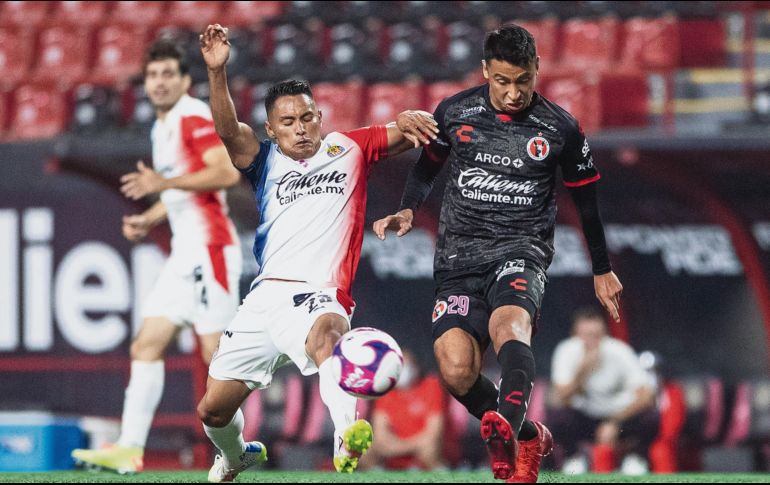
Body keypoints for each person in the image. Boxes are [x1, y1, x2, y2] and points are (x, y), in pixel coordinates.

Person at [373, 24, 624, 483]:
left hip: (520, 250)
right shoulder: (454, 112)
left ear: (537, 70)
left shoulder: (561, 128)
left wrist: (602, 269)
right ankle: (529, 435)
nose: (513, 92)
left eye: (523, 80)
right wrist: (407, 210)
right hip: (458, 258)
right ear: (486, 71)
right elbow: (427, 167)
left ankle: (505, 429)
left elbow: (586, 202)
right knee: (455, 369)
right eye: (503, 81)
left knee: (509, 325)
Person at [196, 24, 439, 482]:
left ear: (319, 116)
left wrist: (409, 117)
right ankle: (234, 457)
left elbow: (410, 131)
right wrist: (217, 71)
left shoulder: (347, 147)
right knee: (213, 409)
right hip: (265, 299)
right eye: (287, 123)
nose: (300, 129)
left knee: (329, 335)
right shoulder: (264, 160)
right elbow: (228, 131)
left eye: (307, 118)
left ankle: (345, 435)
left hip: (320, 293)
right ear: (271, 128)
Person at [71, 38, 243, 474]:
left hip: (211, 251)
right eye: (153, 75)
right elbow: (184, 184)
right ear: (144, 84)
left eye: (168, 74)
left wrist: (161, 188)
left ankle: (238, 450)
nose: (160, 82)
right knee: (146, 344)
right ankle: (129, 449)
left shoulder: (191, 115)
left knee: (217, 359)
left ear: (186, 80)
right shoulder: (162, 126)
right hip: (185, 254)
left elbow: (224, 172)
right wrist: (150, 217)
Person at [549, 307, 658, 474]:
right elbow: (560, 397)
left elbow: (646, 396)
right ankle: (574, 458)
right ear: (575, 334)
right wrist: (582, 372)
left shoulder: (619, 350)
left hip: (618, 416)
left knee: (651, 418)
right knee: (558, 417)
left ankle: (635, 458)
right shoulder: (566, 351)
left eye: (596, 336)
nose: (592, 341)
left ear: (604, 333)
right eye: (586, 336)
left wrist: (614, 422)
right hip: (585, 417)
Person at [361, 349, 447, 470]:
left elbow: (434, 432)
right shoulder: (386, 391)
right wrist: (400, 447)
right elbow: (380, 433)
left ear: (416, 367)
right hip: (397, 447)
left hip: (421, 449)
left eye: (406, 365)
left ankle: (442, 475)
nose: (402, 371)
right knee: (365, 450)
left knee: (429, 448)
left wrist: (403, 447)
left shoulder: (431, 385)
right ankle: (378, 475)